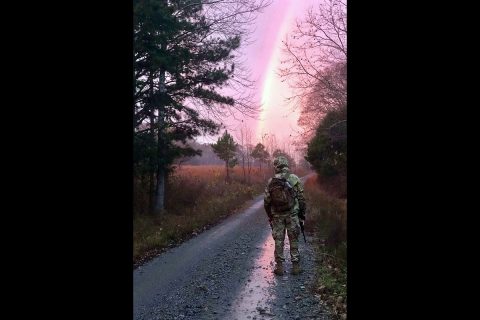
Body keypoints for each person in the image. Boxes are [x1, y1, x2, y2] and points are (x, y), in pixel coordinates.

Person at [264, 155, 306, 275]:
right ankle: (296, 266)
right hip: (292, 214)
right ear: (287, 164)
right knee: (293, 239)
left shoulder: (271, 181)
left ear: (276, 166)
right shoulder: (293, 178)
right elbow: (302, 199)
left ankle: (280, 267)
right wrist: (302, 214)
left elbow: (266, 202)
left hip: (277, 216)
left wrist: (270, 216)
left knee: (279, 240)